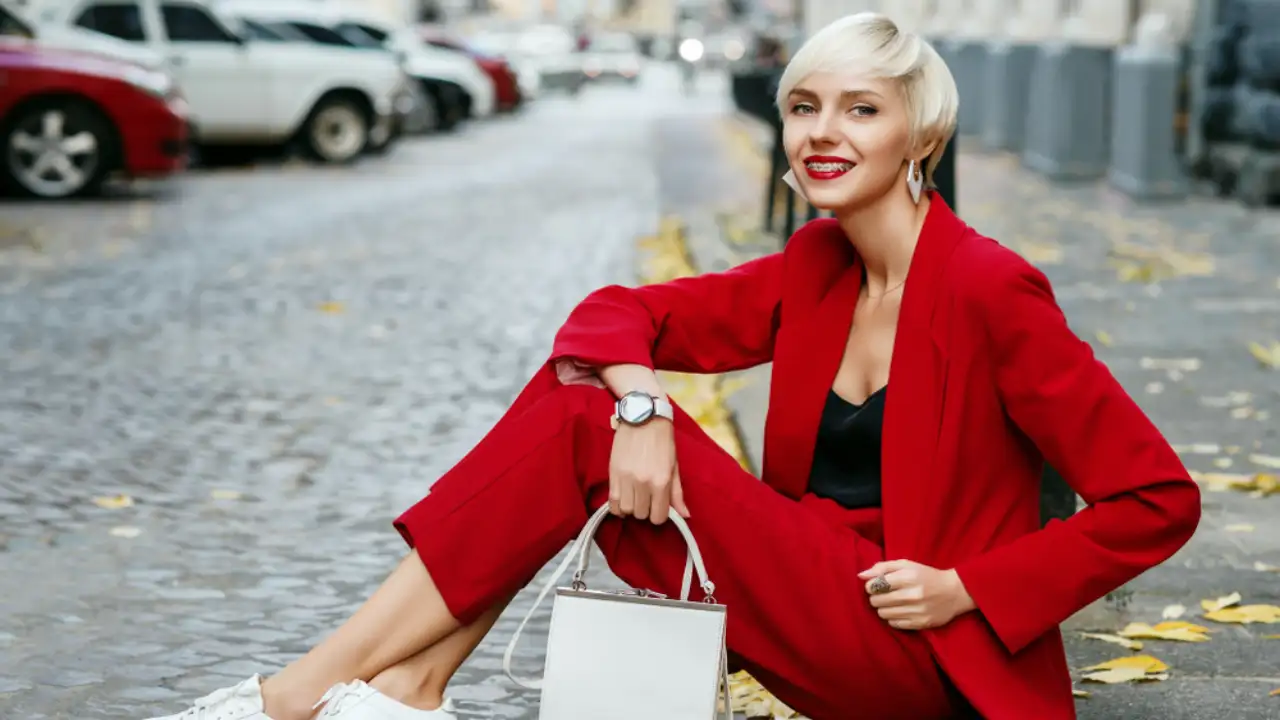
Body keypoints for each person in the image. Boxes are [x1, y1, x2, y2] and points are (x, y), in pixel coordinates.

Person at [147, 12, 1201, 720]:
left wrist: (967, 587)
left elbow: (1155, 499)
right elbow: (612, 315)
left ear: (918, 136)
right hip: (799, 592)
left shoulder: (986, 290)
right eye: (802, 108)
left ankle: (297, 699)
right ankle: (405, 686)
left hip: (917, 646)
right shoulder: (815, 265)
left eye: (859, 110)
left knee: (575, 422)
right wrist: (644, 401)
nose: (821, 135)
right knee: (586, 401)